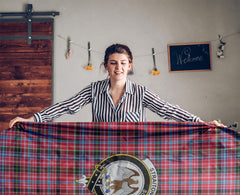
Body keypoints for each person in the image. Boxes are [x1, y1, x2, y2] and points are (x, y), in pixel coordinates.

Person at [9, 43, 224, 128]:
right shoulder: (93, 90)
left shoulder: (141, 93)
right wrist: (32, 119)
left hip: (136, 156)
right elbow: (65, 106)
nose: (118, 68)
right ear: (106, 66)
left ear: (130, 65)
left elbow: (168, 109)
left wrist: (202, 122)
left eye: (123, 63)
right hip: (101, 155)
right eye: (113, 63)